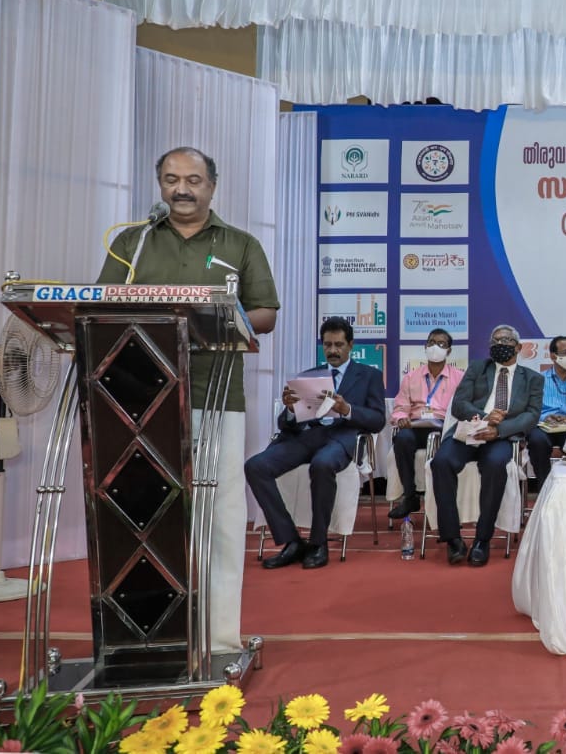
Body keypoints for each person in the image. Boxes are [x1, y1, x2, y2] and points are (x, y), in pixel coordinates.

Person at [96, 146, 278, 653]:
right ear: (160, 185)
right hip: (136, 399)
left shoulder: (240, 244)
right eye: (172, 179)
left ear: (211, 186)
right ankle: (147, 634)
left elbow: (265, 314)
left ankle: (219, 637)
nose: (182, 189)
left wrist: (214, 317)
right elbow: (100, 304)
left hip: (213, 394)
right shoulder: (132, 244)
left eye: (193, 180)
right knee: (143, 510)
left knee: (219, 515)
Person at [245, 317, 386, 570]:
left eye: (338, 345)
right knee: (255, 466)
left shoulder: (369, 376)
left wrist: (347, 409)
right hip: (305, 437)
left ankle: (318, 543)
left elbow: (378, 420)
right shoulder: (310, 376)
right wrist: (290, 409)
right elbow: (285, 424)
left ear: (350, 345)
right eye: (328, 345)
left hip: (341, 438)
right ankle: (291, 540)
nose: (332, 350)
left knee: (322, 464)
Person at [430, 324, 543, 566]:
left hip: (500, 437)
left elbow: (531, 416)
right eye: (495, 341)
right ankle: (453, 539)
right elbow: (459, 404)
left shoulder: (533, 378)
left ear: (518, 347)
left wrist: (498, 429)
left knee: (494, 465)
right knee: (440, 462)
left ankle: (482, 539)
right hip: (470, 431)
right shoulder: (477, 368)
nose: (500, 345)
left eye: (506, 341)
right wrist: (485, 417)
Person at [387, 329, 465, 520]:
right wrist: (401, 418)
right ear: (425, 347)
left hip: (444, 428)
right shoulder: (411, 377)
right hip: (416, 427)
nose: (435, 347)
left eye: (441, 344)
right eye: (431, 342)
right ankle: (410, 496)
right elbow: (400, 407)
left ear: (449, 351)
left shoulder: (460, 377)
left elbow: (464, 408)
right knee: (402, 438)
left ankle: (445, 503)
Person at [526, 336, 566, 490]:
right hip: (544, 426)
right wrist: (546, 417)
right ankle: (545, 488)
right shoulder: (539, 379)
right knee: (537, 441)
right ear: (553, 356)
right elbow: (530, 408)